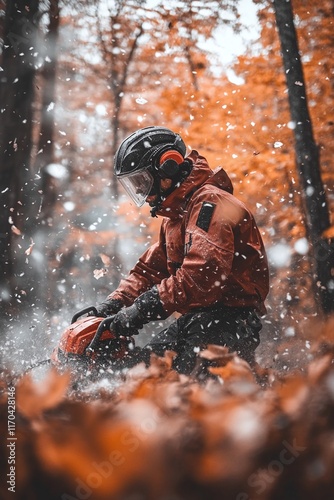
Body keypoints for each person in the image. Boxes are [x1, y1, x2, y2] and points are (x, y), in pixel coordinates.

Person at [92, 126, 269, 376]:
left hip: (228, 321)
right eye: (135, 185)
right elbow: (149, 270)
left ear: (169, 166)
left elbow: (203, 274)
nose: (143, 193)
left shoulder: (210, 204)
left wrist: (142, 310)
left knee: (183, 385)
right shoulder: (176, 217)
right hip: (196, 320)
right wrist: (113, 303)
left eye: (142, 181)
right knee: (139, 372)